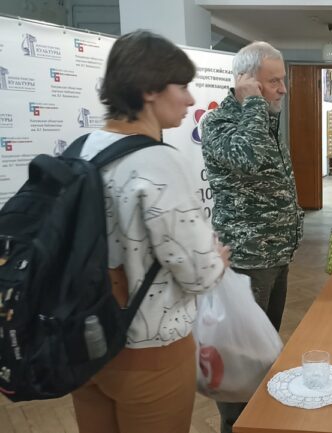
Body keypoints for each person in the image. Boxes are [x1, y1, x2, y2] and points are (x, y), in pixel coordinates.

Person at [70, 30, 230, 433]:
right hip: (148, 353)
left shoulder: (80, 148)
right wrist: (217, 260)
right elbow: (198, 275)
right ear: (149, 90)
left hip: (83, 343)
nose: (190, 100)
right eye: (182, 86)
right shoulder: (159, 162)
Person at [201, 40, 303, 433]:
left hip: (275, 255)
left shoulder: (264, 119)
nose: (282, 89)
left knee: (263, 345)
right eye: (273, 81)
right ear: (246, 80)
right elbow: (249, 159)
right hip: (246, 260)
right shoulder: (219, 123)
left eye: (282, 80)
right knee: (238, 356)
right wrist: (254, 105)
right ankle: (236, 424)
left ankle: (259, 416)